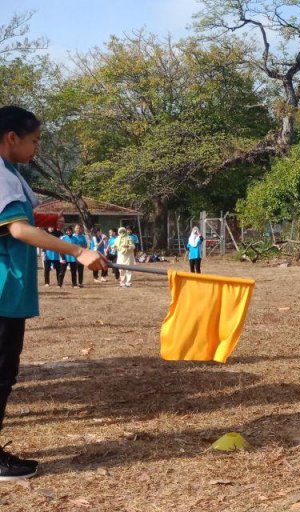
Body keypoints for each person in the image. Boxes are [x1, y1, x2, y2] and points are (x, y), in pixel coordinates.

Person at [0, 105, 107, 479]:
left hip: (8, 289)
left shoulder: (10, 172)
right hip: (3, 290)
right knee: (1, 372)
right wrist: (78, 252)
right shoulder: (2, 175)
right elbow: (18, 230)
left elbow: (17, 220)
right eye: (34, 141)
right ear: (11, 137)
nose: (36, 149)